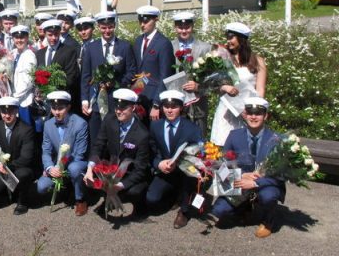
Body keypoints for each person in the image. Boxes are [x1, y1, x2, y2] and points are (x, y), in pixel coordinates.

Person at [207, 97, 285, 239]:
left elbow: (280, 174)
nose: (253, 117)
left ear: (266, 116)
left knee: (268, 197)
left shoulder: (276, 139)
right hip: (240, 181)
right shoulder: (234, 136)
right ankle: (244, 206)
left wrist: (255, 183)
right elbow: (222, 165)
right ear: (244, 114)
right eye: (250, 113)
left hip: (264, 183)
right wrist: (240, 175)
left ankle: (268, 220)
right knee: (219, 211)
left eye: (258, 113)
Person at [82, 88, 152, 217]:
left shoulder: (142, 134)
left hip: (130, 172)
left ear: (133, 108)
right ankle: (109, 199)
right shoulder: (109, 120)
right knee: (92, 178)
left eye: (123, 108)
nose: (118, 111)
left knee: (134, 191)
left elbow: (140, 169)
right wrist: (90, 169)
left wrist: (119, 186)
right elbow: (99, 145)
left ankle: (139, 205)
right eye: (117, 107)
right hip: (112, 169)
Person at [145, 90, 203, 228]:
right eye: (166, 106)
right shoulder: (155, 126)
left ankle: (184, 211)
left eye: (174, 107)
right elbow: (151, 150)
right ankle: (174, 195)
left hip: (186, 171)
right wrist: (158, 163)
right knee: (152, 199)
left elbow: (200, 152)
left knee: (190, 180)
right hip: (165, 170)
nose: (169, 110)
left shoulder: (192, 128)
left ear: (181, 108)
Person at [80, 11, 137, 143]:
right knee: (96, 140)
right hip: (95, 102)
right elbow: (86, 76)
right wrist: (84, 100)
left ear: (114, 26)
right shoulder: (91, 48)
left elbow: (131, 72)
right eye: (103, 27)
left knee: (115, 139)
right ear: (98, 27)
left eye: (110, 27)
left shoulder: (125, 46)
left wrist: (117, 83)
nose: (107, 31)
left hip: (116, 102)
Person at [210, 22, 267, 146]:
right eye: (227, 37)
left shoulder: (258, 61)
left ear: (241, 39)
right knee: (223, 146)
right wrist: (224, 87)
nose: (228, 41)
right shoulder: (222, 58)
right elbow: (211, 84)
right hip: (226, 111)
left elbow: (260, 89)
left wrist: (256, 111)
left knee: (246, 147)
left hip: (247, 112)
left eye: (231, 37)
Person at [36, 91, 89, 214]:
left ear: (68, 107)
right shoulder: (48, 125)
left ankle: (80, 199)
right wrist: (50, 168)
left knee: (74, 169)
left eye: (60, 108)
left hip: (75, 162)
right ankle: (67, 186)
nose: (56, 112)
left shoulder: (80, 124)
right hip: (57, 164)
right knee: (41, 187)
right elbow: (46, 151)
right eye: (54, 108)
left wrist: (61, 167)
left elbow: (79, 154)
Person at [0, 96, 37, 215]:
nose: (7, 115)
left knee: (23, 174)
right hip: (4, 168)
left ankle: (23, 201)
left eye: (11, 112)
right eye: (4, 112)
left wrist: (7, 166)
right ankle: (10, 192)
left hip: (20, 167)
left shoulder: (26, 129)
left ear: (16, 111)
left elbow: (26, 158)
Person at [168, 11, 213, 137]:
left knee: (198, 138)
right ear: (175, 28)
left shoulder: (205, 48)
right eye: (180, 27)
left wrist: (199, 86)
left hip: (198, 105)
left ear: (192, 26)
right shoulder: (169, 46)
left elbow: (212, 77)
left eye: (187, 27)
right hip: (175, 103)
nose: (183, 31)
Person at [133, 5, 174, 121]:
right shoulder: (138, 41)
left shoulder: (163, 43)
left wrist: (157, 103)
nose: (142, 25)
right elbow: (138, 71)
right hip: (140, 97)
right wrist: (135, 96)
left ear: (155, 20)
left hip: (154, 99)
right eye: (140, 21)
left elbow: (165, 75)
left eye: (146, 21)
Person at [36, 19, 80, 111]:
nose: (53, 38)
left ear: (60, 33)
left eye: (56, 34)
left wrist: (51, 86)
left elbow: (71, 77)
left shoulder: (68, 51)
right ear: (45, 34)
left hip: (61, 101)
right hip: (44, 101)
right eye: (50, 35)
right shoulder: (40, 53)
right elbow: (37, 74)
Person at [9, 25, 37, 126]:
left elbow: (29, 81)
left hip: (24, 101)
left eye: (22, 38)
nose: (19, 40)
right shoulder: (13, 53)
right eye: (16, 38)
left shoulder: (29, 55)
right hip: (13, 99)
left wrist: (15, 97)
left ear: (27, 38)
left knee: (26, 129)